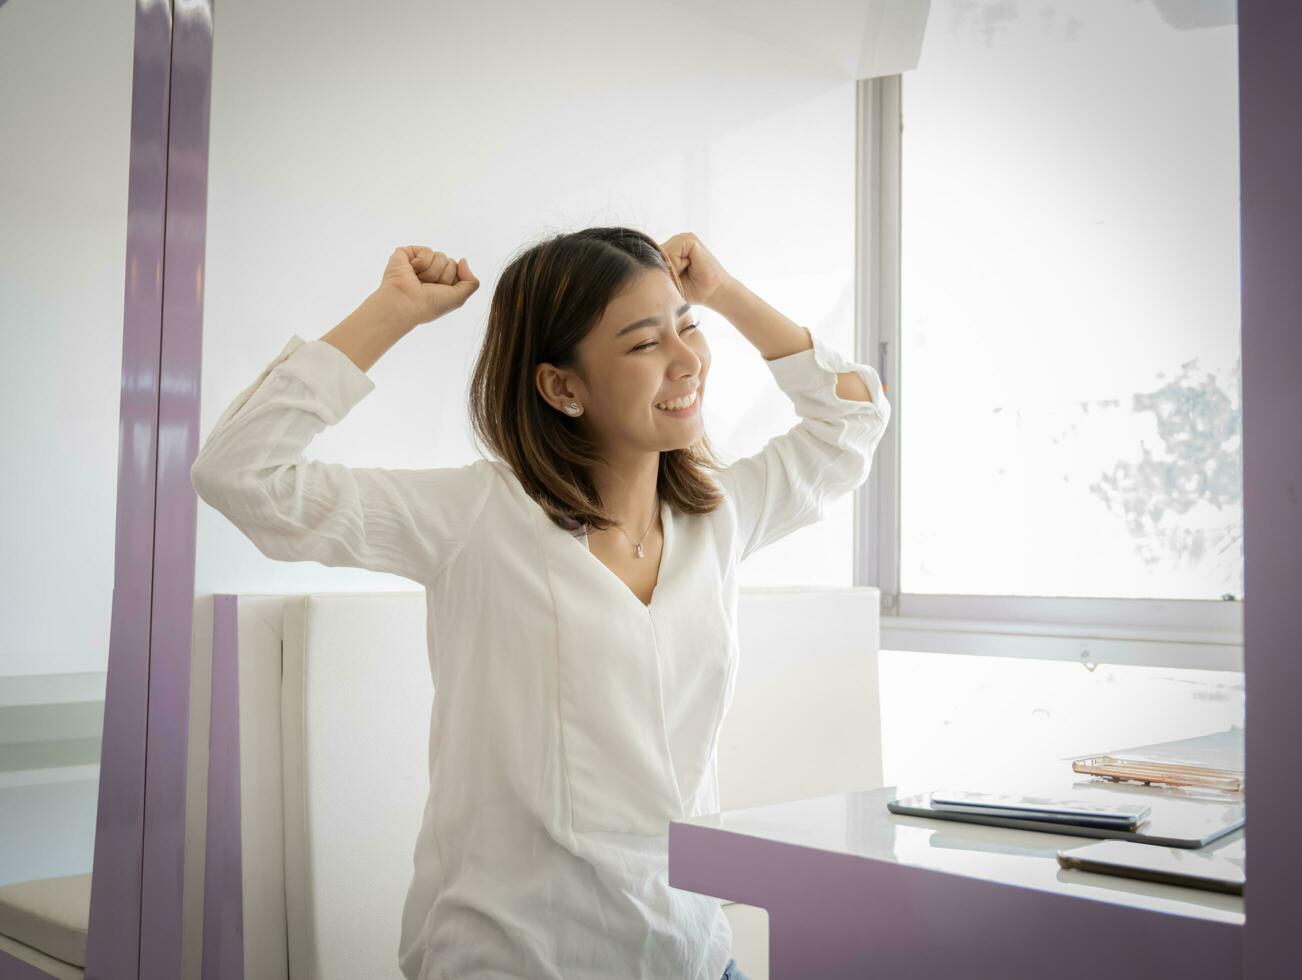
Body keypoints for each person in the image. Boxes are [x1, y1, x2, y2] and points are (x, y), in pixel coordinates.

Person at [190, 227, 891, 980]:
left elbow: (854, 420)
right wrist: (390, 312)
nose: (687, 360)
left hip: (688, 954)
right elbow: (240, 473)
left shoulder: (720, 515)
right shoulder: (473, 520)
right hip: (516, 960)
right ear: (561, 386)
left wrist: (721, 295)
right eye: (643, 343)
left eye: (687, 328)